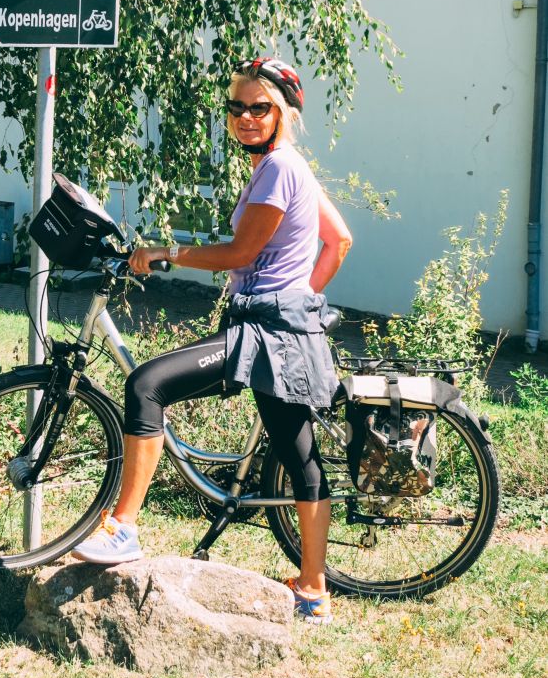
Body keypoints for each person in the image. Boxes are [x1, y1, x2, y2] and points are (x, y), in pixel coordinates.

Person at [71, 57, 353, 625]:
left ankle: (123, 528)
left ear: (285, 113)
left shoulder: (278, 170)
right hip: (283, 331)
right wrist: (299, 299)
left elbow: (240, 254)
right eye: (236, 107)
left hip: (266, 334)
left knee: (146, 384)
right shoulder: (285, 165)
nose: (246, 117)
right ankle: (313, 591)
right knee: (300, 459)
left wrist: (164, 252)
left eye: (260, 107)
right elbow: (339, 240)